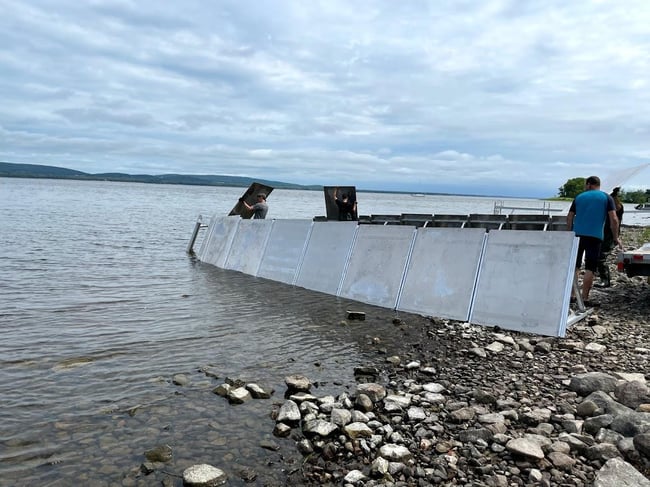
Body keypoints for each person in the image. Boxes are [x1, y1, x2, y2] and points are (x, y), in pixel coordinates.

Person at [567, 176, 622, 305]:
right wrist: (615, 237)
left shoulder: (579, 197)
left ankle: (571, 295)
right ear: (598, 185)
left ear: (589, 184)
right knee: (590, 267)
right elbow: (614, 219)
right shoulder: (606, 198)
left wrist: (569, 233)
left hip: (577, 235)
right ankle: (585, 298)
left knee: (575, 265)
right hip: (595, 236)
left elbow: (569, 218)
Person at [595, 187, 624, 287]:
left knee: (601, 257)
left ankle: (605, 280)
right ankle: (604, 278)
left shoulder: (613, 206)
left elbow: (613, 221)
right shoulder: (617, 205)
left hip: (609, 234)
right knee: (600, 256)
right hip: (609, 234)